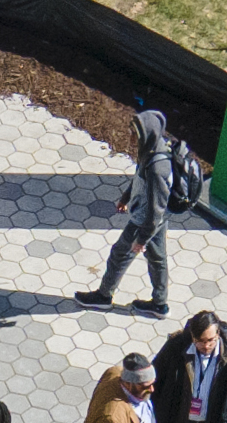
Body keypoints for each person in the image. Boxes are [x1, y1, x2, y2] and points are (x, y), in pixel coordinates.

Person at [77, 108, 181, 317]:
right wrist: (126, 197)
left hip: (144, 221)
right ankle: (159, 304)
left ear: (146, 134)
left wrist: (141, 239)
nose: (131, 136)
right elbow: (139, 180)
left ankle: (103, 296)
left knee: (119, 254)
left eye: (135, 133)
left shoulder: (157, 167)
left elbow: (155, 210)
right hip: (152, 219)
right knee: (158, 259)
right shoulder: (150, 151)